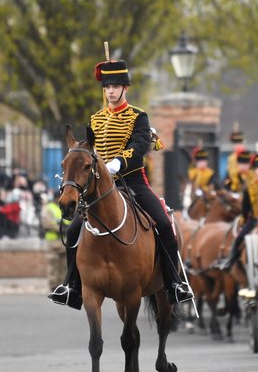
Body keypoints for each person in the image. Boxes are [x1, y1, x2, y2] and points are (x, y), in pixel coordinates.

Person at [49, 58, 193, 308]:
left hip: (131, 180)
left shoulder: (138, 116)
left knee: (162, 223)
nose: (111, 91)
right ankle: (71, 286)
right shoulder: (95, 119)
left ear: (125, 89)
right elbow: (87, 150)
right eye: (107, 87)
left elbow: (139, 146)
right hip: (99, 186)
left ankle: (174, 284)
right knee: (74, 230)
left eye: (115, 86)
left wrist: (117, 162)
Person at [212, 154, 258, 271]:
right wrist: (245, 220)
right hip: (254, 219)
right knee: (239, 237)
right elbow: (245, 207)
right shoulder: (249, 187)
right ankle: (231, 260)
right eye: (257, 169)